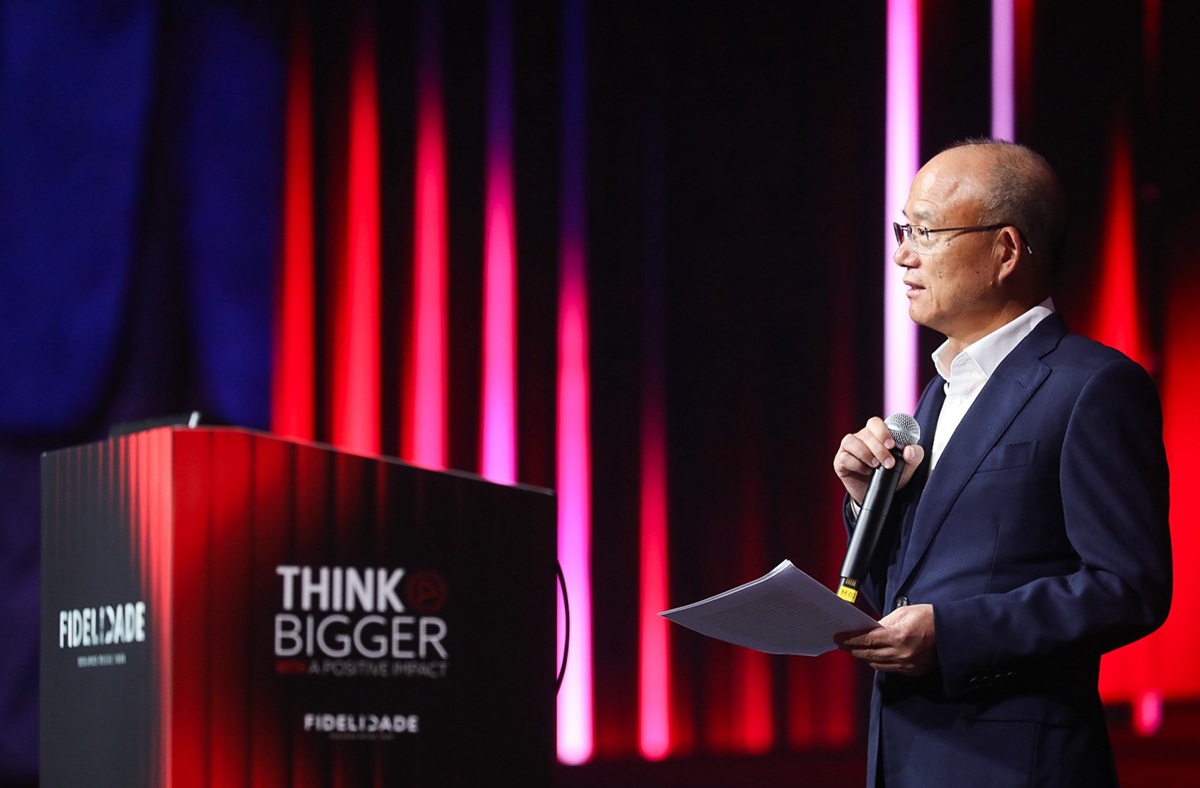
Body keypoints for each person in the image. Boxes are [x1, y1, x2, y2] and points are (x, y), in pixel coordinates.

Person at [832, 139, 1172, 788]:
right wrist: (866, 503)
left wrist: (952, 634)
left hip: (1015, 765)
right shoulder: (937, 394)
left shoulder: (1092, 386)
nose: (902, 254)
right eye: (903, 231)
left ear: (1006, 250)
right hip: (907, 757)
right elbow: (906, 590)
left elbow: (1128, 588)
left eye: (925, 232)